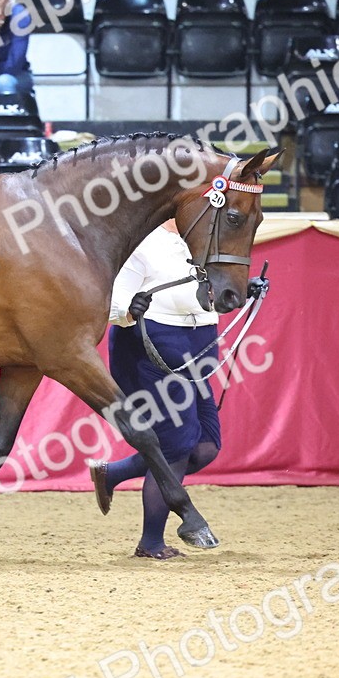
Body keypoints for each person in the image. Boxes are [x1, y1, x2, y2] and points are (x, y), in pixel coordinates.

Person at [88, 220, 267, 560]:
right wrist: (129, 311)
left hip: (198, 353)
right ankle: (151, 543)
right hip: (150, 353)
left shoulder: (204, 242)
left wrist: (245, 290)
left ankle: (113, 473)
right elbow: (112, 302)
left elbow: (212, 293)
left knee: (205, 448)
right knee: (175, 447)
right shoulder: (143, 241)